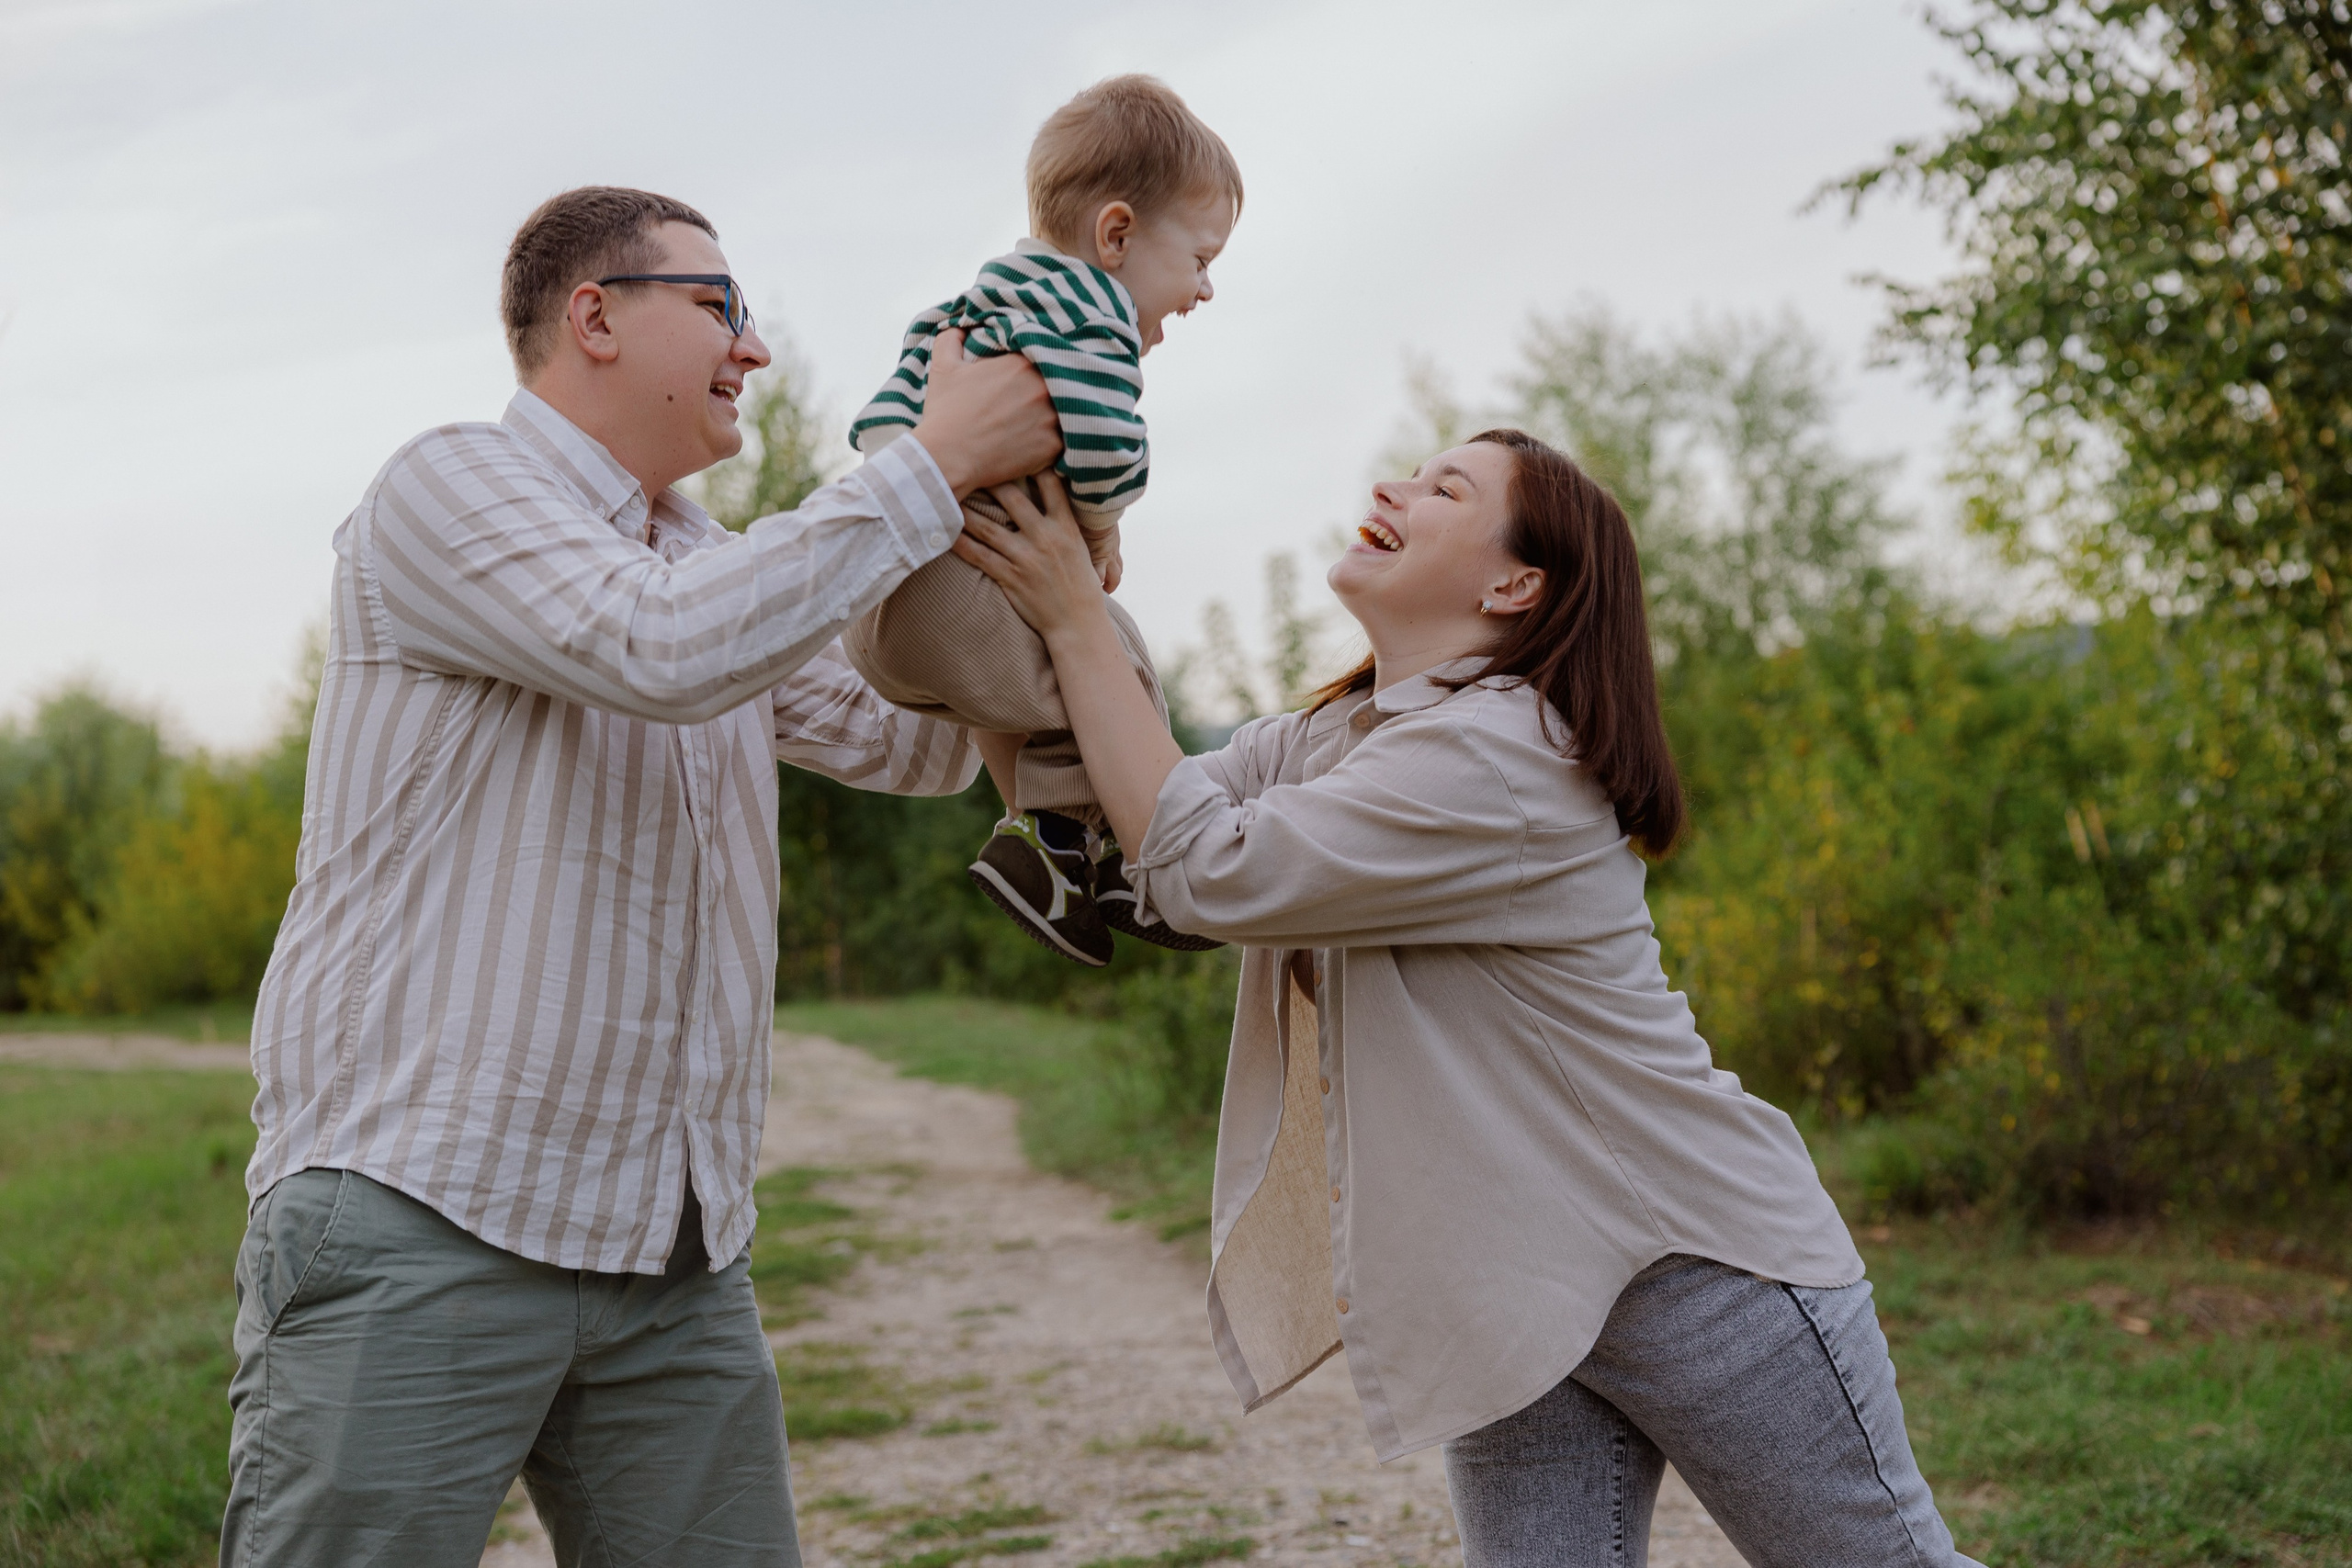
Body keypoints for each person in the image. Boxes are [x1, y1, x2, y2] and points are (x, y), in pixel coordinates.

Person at [954, 435, 1986, 1567]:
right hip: (1509, 1292)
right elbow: (1153, 802)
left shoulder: (1500, 757)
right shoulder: (1344, 736)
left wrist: (1071, 619)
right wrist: (1041, 562)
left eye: (1445, 489)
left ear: (1514, 586)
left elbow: (1208, 870)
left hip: (1694, 1273)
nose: (1390, 485)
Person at [221, 186, 1059, 1568]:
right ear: (594, 316)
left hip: (671, 1250)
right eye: (723, 308)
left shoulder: (710, 561)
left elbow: (916, 744)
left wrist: (1036, 545)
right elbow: (657, 649)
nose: (756, 349)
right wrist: (925, 463)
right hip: (425, 1216)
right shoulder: (447, 489)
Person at [843, 74, 1241, 968]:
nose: (1205, 290)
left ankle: (1077, 855)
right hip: (954, 601)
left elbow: (880, 427)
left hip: (875, 608)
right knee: (1113, 670)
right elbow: (1105, 449)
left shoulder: (969, 308)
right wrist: (1101, 530)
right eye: (1201, 259)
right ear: (1116, 235)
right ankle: (1097, 856)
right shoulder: (1090, 318)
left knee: (1089, 658)